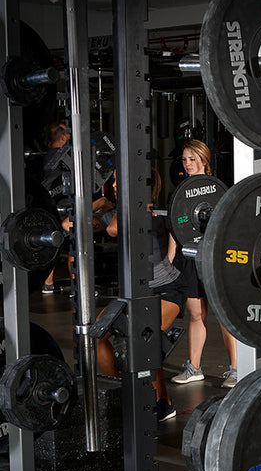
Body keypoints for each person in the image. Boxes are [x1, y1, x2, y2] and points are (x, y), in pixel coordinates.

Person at [96, 171, 186, 422]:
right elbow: (67, 225)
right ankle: (124, 390)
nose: (113, 185)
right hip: (135, 293)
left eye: (118, 180)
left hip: (166, 290)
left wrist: (120, 204)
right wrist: (99, 204)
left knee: (145, 338)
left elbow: (113, 230)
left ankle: (163, 402)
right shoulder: (117, 212)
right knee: (97, 334)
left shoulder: (152, 216)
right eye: (113, 181)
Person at [169, 140, 238, 389]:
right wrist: (169, 260)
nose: (187, 164)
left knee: (222, 315)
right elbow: (175, 228)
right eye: (185, 159)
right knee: (196, 314)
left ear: (203, 160)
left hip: (212, 258)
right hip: (189, 258)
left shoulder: (218, 190)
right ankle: (194, 368)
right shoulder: (179, 191)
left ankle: (236, 370)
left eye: (192, 159)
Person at [41, 121, 71, 293]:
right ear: (61, 137)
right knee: (75, 240)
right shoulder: (59, 155)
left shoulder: (49, 155)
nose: (69, 137)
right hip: (59, 203)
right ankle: (79, 288)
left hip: (52, 202)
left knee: (54, 241)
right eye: (67, 134)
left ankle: (48, 283)